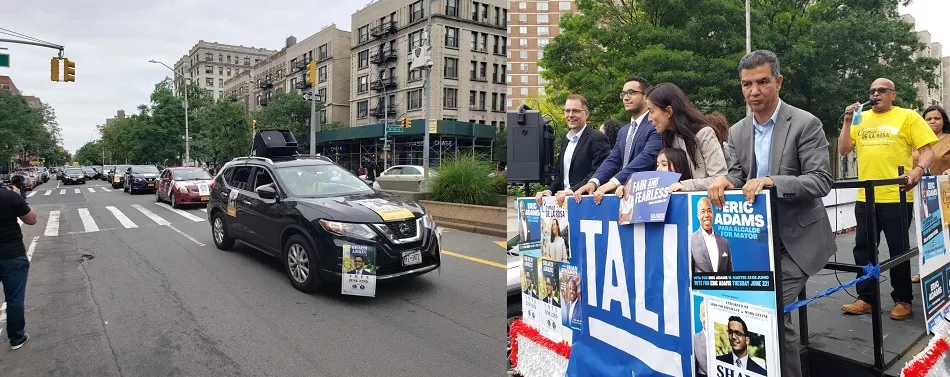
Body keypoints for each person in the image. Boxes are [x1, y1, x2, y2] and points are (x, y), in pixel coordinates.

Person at [706, 50, 835, 377]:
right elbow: (737, 175)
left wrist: (772, 182)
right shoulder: (736, 132)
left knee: (770, 309)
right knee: (748, 310)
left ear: (778, 82)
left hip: (799, 240)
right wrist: (725, 180)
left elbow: (821, 181)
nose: (754, 91)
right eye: (746, 84)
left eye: (762, 82)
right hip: (756, 241)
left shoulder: (806, 123)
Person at [839, 78, 937, 320]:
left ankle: (903, 299)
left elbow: (928, 151)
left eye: (881, 90)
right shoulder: (861, 117)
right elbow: (843, 149)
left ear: (893, 94)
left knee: (898, 250)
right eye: (872, 90)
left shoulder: (908, 117)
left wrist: (917, 171)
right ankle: (866, 297)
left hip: (896, 196)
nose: (876, 94)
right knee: (863, 250)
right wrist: (847, 120)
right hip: (866, 196)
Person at [573, 76, 662, 204]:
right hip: (622, 197)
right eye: (624, 94)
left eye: (632, 92)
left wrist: (613, 182)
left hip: (647, 199)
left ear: (645, 96)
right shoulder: (624, 131)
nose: (626, 97)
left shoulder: (655, 125)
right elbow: (613, 159)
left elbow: (647, 157)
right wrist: (594, 182)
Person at [634, 83, 727, 193]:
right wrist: (629, 188)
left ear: (669, 111)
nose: (649, 118)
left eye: (651, 111)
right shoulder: (668, 137)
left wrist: (684, 185)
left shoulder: (704, 134)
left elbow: (719, 179)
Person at [535, 94, 610, 205]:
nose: (570, 115)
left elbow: (598, 173)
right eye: (567, 111)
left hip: (586, 202)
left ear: (586, 114)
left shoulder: (597, 138)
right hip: (564, 203)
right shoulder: (566, 141)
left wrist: (570, 191)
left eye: (575, 111)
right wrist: (549, 190)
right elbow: (561, 176)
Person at [912, 105, 950, 283]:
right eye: (929, 119)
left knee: (946, 233)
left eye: (937, 118)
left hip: (945, 193)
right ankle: (926, 270)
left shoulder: (949, 139)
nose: (933, 122)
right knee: (926, 234)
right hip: (922, 194)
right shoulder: (917, 142)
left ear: (944, 121)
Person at [1, 183, 38, 350]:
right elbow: (31, 220)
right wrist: (20, 197)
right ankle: (16, 337)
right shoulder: (9, 196)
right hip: (11, 255)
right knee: (14, 298)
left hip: (12, 256)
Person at [690, 197, 733, 273]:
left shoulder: (724, 242)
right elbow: (688, 272)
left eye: (709, 211)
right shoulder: (691, 241)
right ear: (698, 215)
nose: (706, 215)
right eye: (703, 211)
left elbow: (730, 271)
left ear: (713, 214)